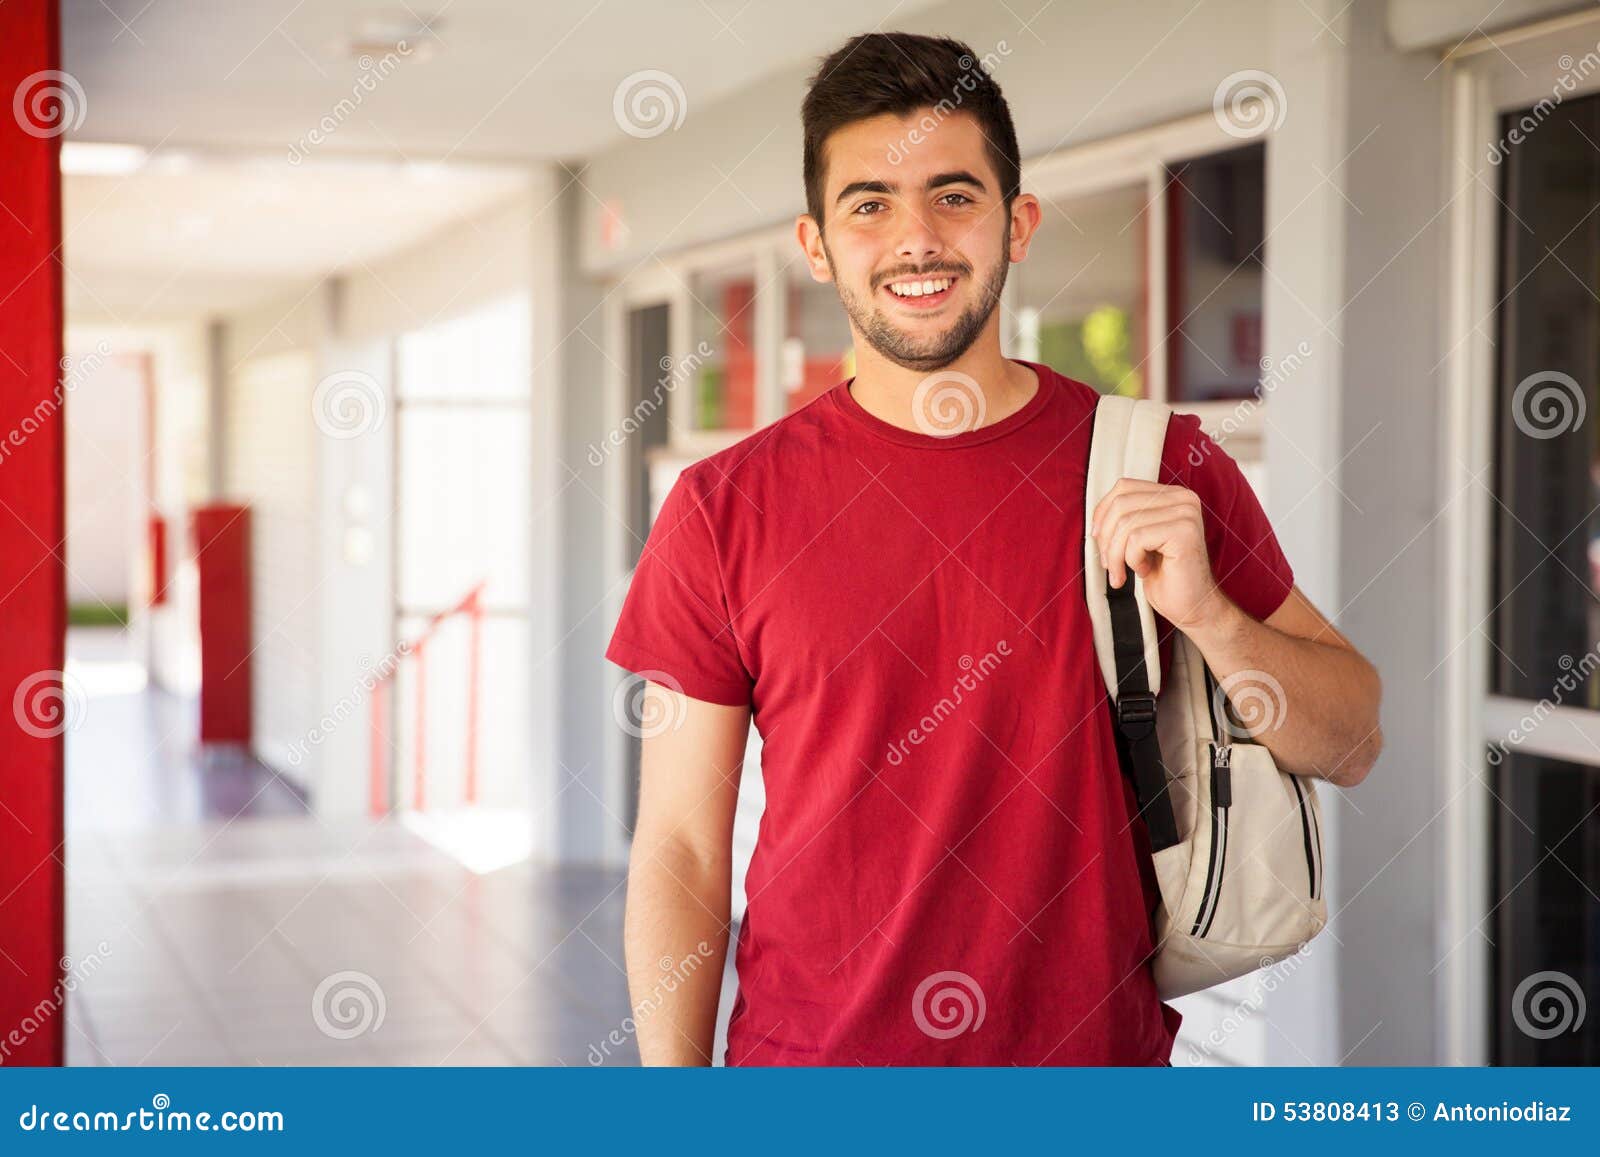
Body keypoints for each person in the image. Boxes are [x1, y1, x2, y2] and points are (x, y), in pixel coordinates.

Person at [605, 30, 1382, 1066]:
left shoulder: (1158, 463)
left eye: (954, 195)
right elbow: (682, 850)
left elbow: (1352, 740)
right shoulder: (721, 508)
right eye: (869, 203)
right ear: (816, 244)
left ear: (1016, 224)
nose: (916, 237)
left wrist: (1210, 617)